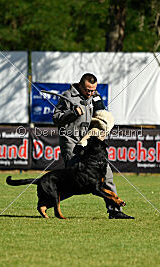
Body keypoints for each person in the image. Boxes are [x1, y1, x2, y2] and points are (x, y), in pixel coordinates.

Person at [53, 73, 134, 219]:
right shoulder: (67, 96)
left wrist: (103, 126)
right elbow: (56, 119)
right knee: (75, 179)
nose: (90, 93)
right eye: (87, 90)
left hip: (89, 141)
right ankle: (50, 198)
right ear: (80, 85)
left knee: (106, 174)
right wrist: (72, 113)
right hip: (71, 141)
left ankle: (115, 211)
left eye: (93, 90)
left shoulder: (95, 96)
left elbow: (100, 115)